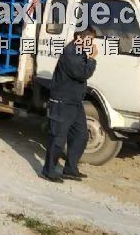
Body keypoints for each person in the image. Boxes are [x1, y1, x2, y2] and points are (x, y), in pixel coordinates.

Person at [42, 26, 98, 183]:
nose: (92, 44)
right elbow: (82, 73)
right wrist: (92, 59)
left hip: (75, 102)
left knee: (81, 136)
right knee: (58, 138)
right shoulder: (70, 52)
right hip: (62, 102)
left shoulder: (80, 52)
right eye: (90, 40)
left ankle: (70, 169)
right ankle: (49, 171)